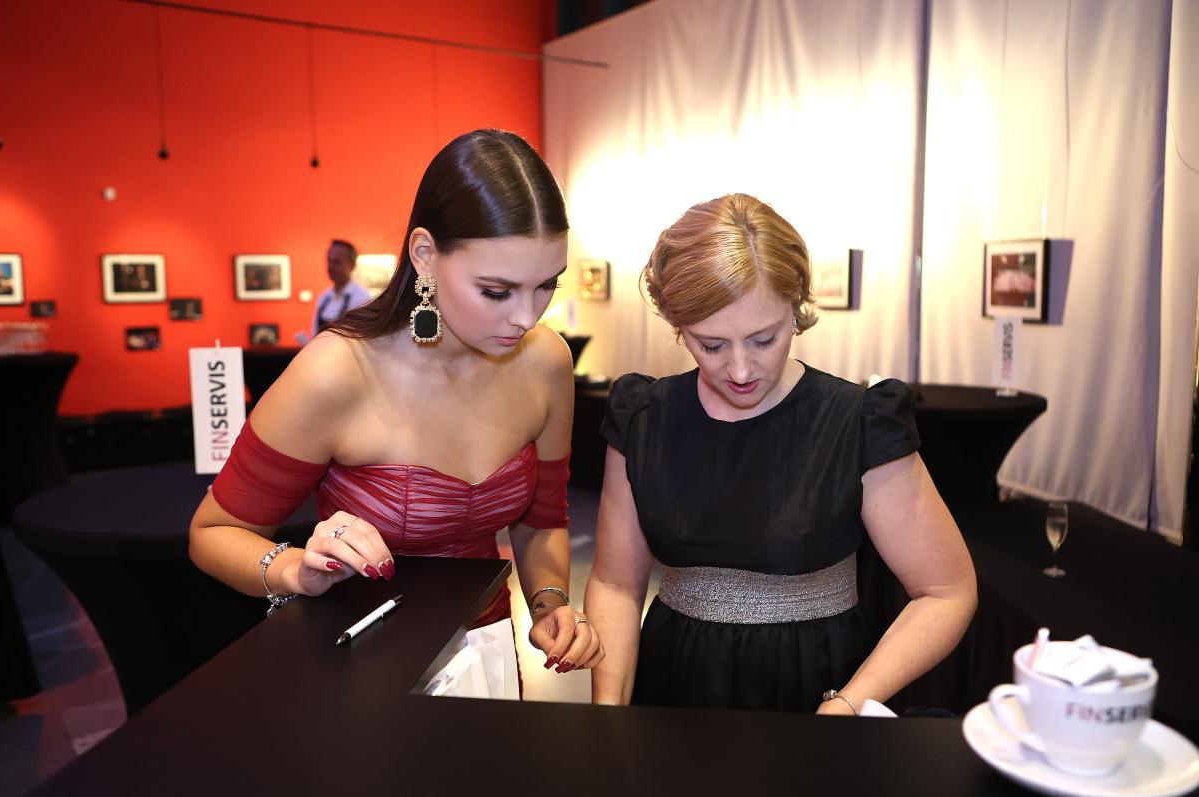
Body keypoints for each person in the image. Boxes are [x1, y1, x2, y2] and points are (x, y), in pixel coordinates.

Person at [190, 129, 603, 677]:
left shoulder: (546, 362)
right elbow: (212, 534)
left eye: (547, 285)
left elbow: (542, 520)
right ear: (425, 255)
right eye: (497, 291)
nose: (527, 317)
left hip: (489, 651)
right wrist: (294, 569)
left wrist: (550, 605)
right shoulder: (337, 372)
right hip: (364, 662)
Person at [584, 193, 976, 712]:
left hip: (816, 689)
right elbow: (615, 584)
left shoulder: (856, 422)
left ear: (795, 309)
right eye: (711, 345)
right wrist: (608, 713)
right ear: (678, 325)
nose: (740, 370)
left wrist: (852, 702)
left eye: (763, 340)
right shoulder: (643, 417)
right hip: (674, 686)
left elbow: (946, 591)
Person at [306, 239, 372, 340]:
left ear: (352, 265)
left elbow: (363, 338)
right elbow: (314, 334)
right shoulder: (324, 297)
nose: (331, 266)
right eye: (329, 261)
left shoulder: (362, 298)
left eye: (337, 262)